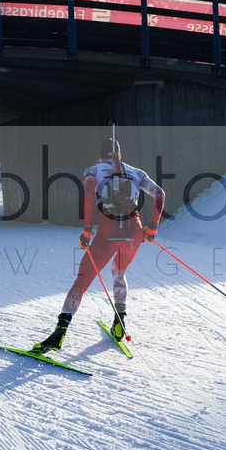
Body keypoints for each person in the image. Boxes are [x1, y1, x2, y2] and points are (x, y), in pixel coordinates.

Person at [33, 137, 165, 353]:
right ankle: (119, 324)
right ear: (120, 153)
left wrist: (87, 229)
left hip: (107, 232)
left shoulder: (93, 170)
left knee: (83, 279)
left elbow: (88, 191)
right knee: (119, 272)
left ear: (101, 153)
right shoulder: (137, 172)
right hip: (134, 232)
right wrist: (152, 227)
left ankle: (59, 333)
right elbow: (160, 194)